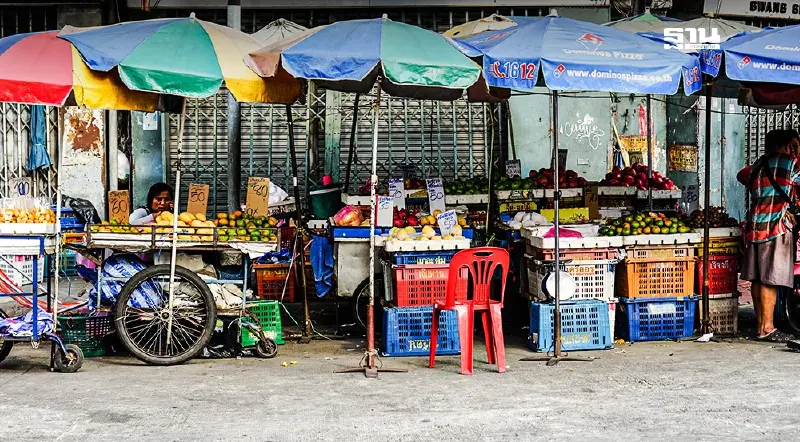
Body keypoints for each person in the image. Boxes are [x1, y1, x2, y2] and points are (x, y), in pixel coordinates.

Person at [741, 129, 800, 342]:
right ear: (785, 144)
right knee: (770, 279)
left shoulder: (758, 164)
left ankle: (760, 326)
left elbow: (745, 178)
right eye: (793, 144)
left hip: (756, 226)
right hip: (775, 226)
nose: (795, 148)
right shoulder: (790, 163)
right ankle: (767, 328)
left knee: (758, 278)